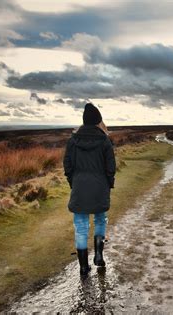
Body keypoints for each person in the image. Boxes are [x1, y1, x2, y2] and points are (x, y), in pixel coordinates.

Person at [63, 103, 116, 277]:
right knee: (100, 219)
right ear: (98, 121)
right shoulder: (104, 140)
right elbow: (111, 167)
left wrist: (74, 182)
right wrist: (108, 184)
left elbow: (68, 165)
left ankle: (84, 267)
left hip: (79, 186)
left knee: (80, 227)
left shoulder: (73, 140)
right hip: (100, 186)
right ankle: (99, 255)